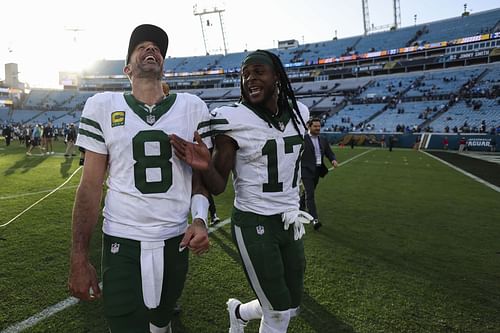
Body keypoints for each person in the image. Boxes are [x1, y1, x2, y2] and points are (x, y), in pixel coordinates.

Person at [68, 24, 211, 333]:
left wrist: (200, 219)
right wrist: (79, 256)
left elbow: (201, 177)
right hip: (123, 239)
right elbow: (90, 186)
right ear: (127, 68)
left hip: (175, 239)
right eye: (141, 47)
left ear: (163, 64)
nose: (151, 49)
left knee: (161, 325)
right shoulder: (102, 106)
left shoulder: (193, 107)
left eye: (157, 48)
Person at [171, 49, 312, 333]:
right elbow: (218, 185)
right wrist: (203, 166)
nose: (250, 79)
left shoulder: (300, 113)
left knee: (291, 306)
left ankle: (239, 312)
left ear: (277, 77)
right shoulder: (232, 118)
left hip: (289, 219)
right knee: (277, 314)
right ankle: (247, 314)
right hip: (254, 221)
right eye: (245, 74)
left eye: (258, 72)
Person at [299, 117, 338, 230]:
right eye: (315, 126)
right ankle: (314, 219)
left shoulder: (323, 139)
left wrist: (333, 160)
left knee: (308, 191)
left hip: (317, 170)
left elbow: (329, 152)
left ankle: (300, 206)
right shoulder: (303, 139)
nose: (318, 128)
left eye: (319, 126)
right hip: (305, 170)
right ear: (309, 127)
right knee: (310, 194)